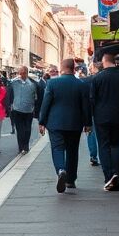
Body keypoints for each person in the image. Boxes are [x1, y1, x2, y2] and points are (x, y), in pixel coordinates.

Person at [39, 57, 91, 193]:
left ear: (62, 68)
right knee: (72, 151)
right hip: (75, 123)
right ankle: (70, 180)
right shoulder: (81, 84)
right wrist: (88, 123)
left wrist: (42, 121)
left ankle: (61, 170)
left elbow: (46, 104)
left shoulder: (52, 84)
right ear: (74, 69)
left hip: (55, 123)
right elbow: (86, 106)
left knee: (57, 148)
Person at [87, 49, 119, 191]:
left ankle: (108, 176)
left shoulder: (97, 78)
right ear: (114, 62)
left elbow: (92, 100)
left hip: (101, 117)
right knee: (117, 145)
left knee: (103, 146)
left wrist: (90, 119)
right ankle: (116, 173)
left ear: (104, 62)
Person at [7, 66, 41, 155]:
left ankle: (26, 146)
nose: (21, 75)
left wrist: (36, 108)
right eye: (20, 73)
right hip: (17, 110)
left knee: (27, 129)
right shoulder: (14, 83)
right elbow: (9, 94)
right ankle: (21, 147)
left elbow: (38, 96)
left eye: (23, 73)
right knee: (19, 129)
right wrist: (10, 106)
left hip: (29, 110)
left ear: (26, 73)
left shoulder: (33, 84)